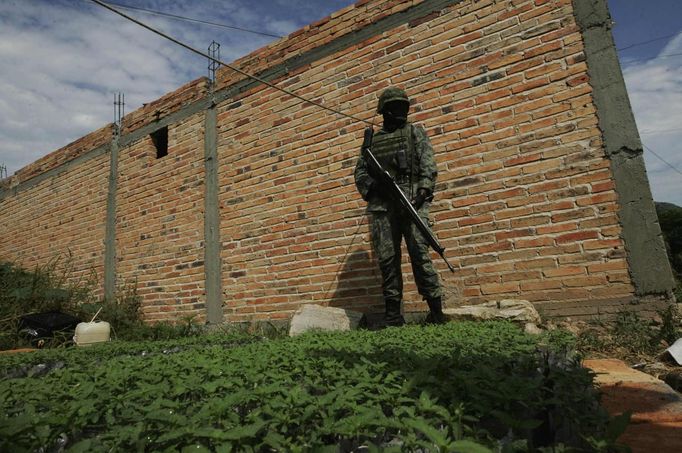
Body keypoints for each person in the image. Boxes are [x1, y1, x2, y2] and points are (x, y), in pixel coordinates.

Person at [354, 86, 445, 326]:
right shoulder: (371, 141)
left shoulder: (415, 133)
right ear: (385, 111)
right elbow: (360, 172)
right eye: (395, 107)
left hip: (412, 203)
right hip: (383, 207)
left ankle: (436, 312)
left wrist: (423, 191)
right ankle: (393, 315)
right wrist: (374, 187)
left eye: (403, 107)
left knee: (420, 255)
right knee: (387, 260)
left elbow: (428, 164)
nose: (401, 111)